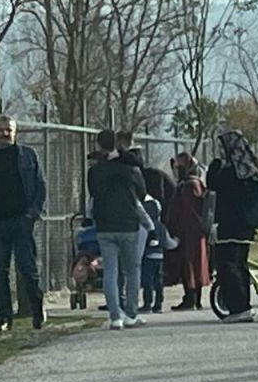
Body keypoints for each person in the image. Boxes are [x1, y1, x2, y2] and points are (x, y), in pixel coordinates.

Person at [0, 114, 47, 332]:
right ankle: (4, 316)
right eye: (0, 130)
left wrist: (33, 214)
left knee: (28, 269)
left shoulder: (28, 156)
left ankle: (37, 310)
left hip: (22, 221)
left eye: (9, 130)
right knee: (0, 271)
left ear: (15, 132)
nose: (5, 133)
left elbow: (40, 187)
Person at [89, 129, 153, 330]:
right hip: (128, 224)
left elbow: (92, 192)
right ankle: (131, 314)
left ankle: (115, 316)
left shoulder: (95, 171)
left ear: (99, 145)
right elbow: (142, 192)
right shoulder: (129, 169)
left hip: (105, 225)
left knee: (110, 271)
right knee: (132, 271)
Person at [207, 129, 258, 324]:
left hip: (230, 226)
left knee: (227, 266)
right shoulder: (248, 170)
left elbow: (212, 183)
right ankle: (244, 305)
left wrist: (214, 165)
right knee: (240, 266)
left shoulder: (230, 172)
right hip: (245, 226)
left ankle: (238, 307)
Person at [164, 152, 210, 311]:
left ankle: (191, 298)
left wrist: (176, 229)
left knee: (189, 265)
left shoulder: (189, 186)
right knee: (195, 265)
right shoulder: (195, 183)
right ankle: (193, 298)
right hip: (195, 233)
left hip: (189, 233)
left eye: (179, 166)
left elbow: (186, 211)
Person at [141, 175, 168, 314]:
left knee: (147, 282)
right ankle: (158, 304)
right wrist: (175, 243)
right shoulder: (161, 227)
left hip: (147, 257)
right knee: (159, 282)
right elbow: (168, 241)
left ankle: (147, 304)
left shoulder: (145, 226)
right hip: (160, 257)